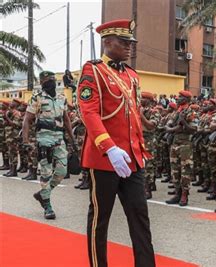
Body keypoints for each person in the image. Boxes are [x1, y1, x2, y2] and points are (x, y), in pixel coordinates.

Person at [77, 19, 155, 267]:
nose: (129, 46)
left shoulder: (132, 75)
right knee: (100, 220)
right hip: (104, 159)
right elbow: (89, 112)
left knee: (140, 218)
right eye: (124, 42)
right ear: (107, 42)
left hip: (132, 158)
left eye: (130, 42)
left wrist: (139, 150)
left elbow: (132, 115)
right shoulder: (94, 70)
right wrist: (109, 147)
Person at [22, 71, 75, 219]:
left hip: (59, 138)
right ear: (42, 82)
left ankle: (43, 194)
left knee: (62, 171)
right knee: (45, 173)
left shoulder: (61, 98)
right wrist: (26, 141)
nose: (50, 82)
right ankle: (47, 206)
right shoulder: (37, 98)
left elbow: (66, 120)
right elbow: (27, 120)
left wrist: (72, 139)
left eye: (52, 79)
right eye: (47, 80)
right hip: (44, 139)